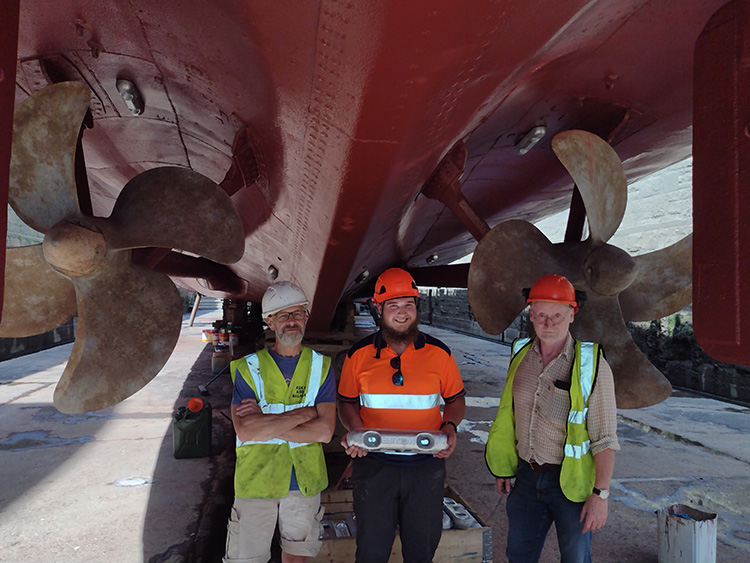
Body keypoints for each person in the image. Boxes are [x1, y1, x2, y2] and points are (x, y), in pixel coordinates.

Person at [485, 274, 620, 563]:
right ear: (530, 314)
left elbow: (605, 438)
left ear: (573, 314)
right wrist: (504, 467)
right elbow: (510, 418)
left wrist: (601, 495)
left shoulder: (591, 365)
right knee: (518, 555)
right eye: (541, 315)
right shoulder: (520, 355)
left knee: (575, 558)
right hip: (525, 477)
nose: (549, 323)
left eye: (557, 315)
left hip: (571, 486)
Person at [337, 267, 466, 563]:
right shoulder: (358, 356)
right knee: (371, 550)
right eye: (393, 305)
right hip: (374, 467)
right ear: (379, 308)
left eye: (408, 304)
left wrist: (449, 426)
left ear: (416, 307)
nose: (402, 312)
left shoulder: (439, 354)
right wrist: (356, 432)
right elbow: (346, 403)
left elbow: (456, 400)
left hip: (424, 469)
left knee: (421, 551)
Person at [223, 281, 337, 563]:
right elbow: (246, 431)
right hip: (255, 481)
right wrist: (303, 414)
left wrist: (266, 421)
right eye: (283, 315)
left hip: (304, 482)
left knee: (297, 557)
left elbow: (325, 432)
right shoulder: (248, 368)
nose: (291, 322)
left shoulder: (321, 367)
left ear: (306, 318)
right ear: (269, 322)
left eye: (297, 314)